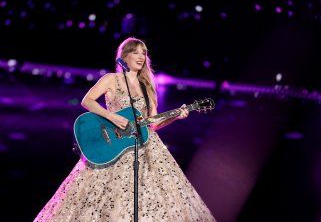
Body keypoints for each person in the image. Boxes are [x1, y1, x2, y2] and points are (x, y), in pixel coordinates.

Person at [34, 37, 216, 221]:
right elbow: (87, 101)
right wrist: (111, 116)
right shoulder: (111, 79)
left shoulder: (147, 87)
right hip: (113, 148)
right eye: (135, 52)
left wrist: (176, 116)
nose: (141, 57)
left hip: (145, 149)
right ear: (124, 56)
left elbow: (152, 123)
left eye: (143, 53)